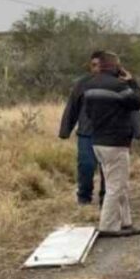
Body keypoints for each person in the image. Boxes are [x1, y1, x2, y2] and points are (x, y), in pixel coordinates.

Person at [80, 51, 140, 238]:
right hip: (116, 142)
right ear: (114, 66)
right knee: (115, 186)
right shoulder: (118, 86)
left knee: (119, 183)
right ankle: (108, 225)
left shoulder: (89, 86)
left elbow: (89, 114)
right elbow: (137, 103)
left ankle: (125, 222)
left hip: (98, 140)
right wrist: (131, 82)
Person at [58, 54, 105, 206]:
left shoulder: (115, 83)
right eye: (94, 65)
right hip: (86, 133)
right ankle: (84, 197)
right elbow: (72, 107)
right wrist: (65, 130)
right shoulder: (82, 84)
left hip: (108, 134)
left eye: (100, 65)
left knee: (107, 170)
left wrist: (136, 129)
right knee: (86, 165)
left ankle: (106, 198)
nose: (97, 68)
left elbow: (129, 108)